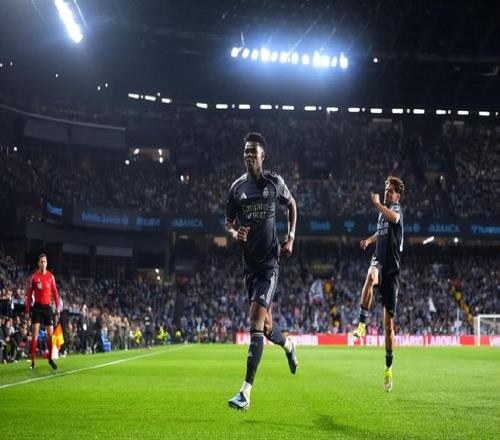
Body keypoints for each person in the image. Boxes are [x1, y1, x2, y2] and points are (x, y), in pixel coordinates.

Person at [226, 132, 298, 411]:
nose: (248, 155)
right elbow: (228, 222)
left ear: (262, 156)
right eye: (246, 151)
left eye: (253, 151)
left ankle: (245, 393)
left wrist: (291, 237)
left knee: (255, 323)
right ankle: (288, 345)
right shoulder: (237, 189)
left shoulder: (273, 183)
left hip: (269, 264)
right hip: (249, 266)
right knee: (267, 328)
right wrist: (235, 234)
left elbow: (292, 205)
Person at [352, 176, 405, 392]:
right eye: (386, 189)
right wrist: (369, 240)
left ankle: (388, 368)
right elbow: (380, 232)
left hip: (392, 272)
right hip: (380, 262)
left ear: (397, 196)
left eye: (391, 191)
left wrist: (377, 205)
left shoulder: (396, 209)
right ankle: (362, 324)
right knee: (370, 275)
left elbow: (393, 218)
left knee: (388, 326)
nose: (387, 193)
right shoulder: (383, 214)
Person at [25, 254, 61, 369]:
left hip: (47, 308)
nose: (43, 263)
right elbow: (29, 294)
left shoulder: (51, 276)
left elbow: (55, 292)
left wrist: (58, 306)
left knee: (50, 335)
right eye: (41, 261)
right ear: (38, 263)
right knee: (35, 334)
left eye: (45, 261)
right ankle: (33, 361)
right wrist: (27, 309)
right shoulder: (34, 277)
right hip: (37, 307)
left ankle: (50, 359)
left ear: (47, 263)